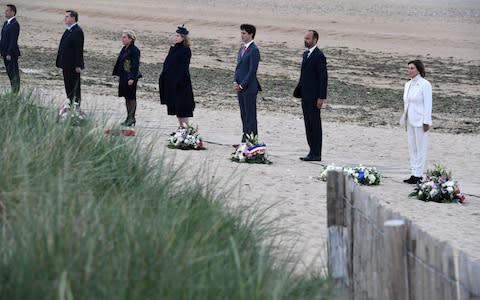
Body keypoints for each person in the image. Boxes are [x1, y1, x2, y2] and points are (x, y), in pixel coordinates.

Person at [294, 30, 328, 162]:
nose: (305, 40)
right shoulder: (305, 54)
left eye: (308, 39)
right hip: (305, 95)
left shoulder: (319, 56)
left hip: (314, 97)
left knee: (315, 124)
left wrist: (321, 97)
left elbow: (323, 78)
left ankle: (316, 153)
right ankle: (311, 151)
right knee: (308, 124)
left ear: (315, 40)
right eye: (305, 38)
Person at [401, 60, 432, 184]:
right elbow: (406, 102)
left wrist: (426, 121)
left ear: (418, 70)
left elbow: (428, 104)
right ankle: (414, 173)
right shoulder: (407, 84)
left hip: (420, 121)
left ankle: (419, 174)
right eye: (408, 68)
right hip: (409, 120)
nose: (409, 70)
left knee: (420, 148)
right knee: (412, 147)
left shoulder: (425, 84)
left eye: (412, 68)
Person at [159, 25, 195, 127]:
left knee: (183, 108)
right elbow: (167, 64)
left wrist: (176, 81)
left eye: (178, 36)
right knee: (176, 108)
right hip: (172, 83)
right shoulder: (174, 49)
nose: (176, 37)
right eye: (176, 35)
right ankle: (181, 129)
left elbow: (183, 67)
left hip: (181, 84)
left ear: (183, 37)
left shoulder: (186, 50)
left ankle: (185, 130)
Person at [233, 23, 261, 143]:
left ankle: (252, 140)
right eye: (241, 33)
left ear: (251, 34)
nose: (242, 35)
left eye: (244, 33)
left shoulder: (254, 50)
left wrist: (242, 85)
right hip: (240, 86)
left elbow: (252, 71)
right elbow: (238, 67)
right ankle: (245, 138)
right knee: (243, 114)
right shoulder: (242, 48)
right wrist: (235, 81)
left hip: (249, 87)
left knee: (250, 115)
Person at [112, 30, 142, 127]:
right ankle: (128, 117)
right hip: (124, 76)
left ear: (130, 39)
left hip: (131, 77)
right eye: (122, 37)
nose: (122, 39)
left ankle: (131, 117)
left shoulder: (134, 50)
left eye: (124, 37)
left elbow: (136, 65)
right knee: (126, 97)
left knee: (131, 97)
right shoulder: (124, 49)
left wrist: (132, 78)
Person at [56, 10, 84, 106]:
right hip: (66, 64)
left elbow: (78, 49)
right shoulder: (68, 30)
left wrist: (78, 65)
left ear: (73, 18)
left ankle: (76, 104)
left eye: (67, 16)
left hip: (73, 65)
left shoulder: (77, 31)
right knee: (68, 85)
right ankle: (70, 102)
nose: (65, 18)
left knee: (75, 86)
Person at [0, 4, 20, 93]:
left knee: (14, 73)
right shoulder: (6, 23)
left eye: (7, 10)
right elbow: (2, 38)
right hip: (4, 52)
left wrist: (9, 53)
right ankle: (13, 91)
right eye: (6, 10)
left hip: (11, 54)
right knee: (9, 73)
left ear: (13, 12)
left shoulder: (15, 24)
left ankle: (15, 91)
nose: (5, 12)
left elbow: (13, 40)